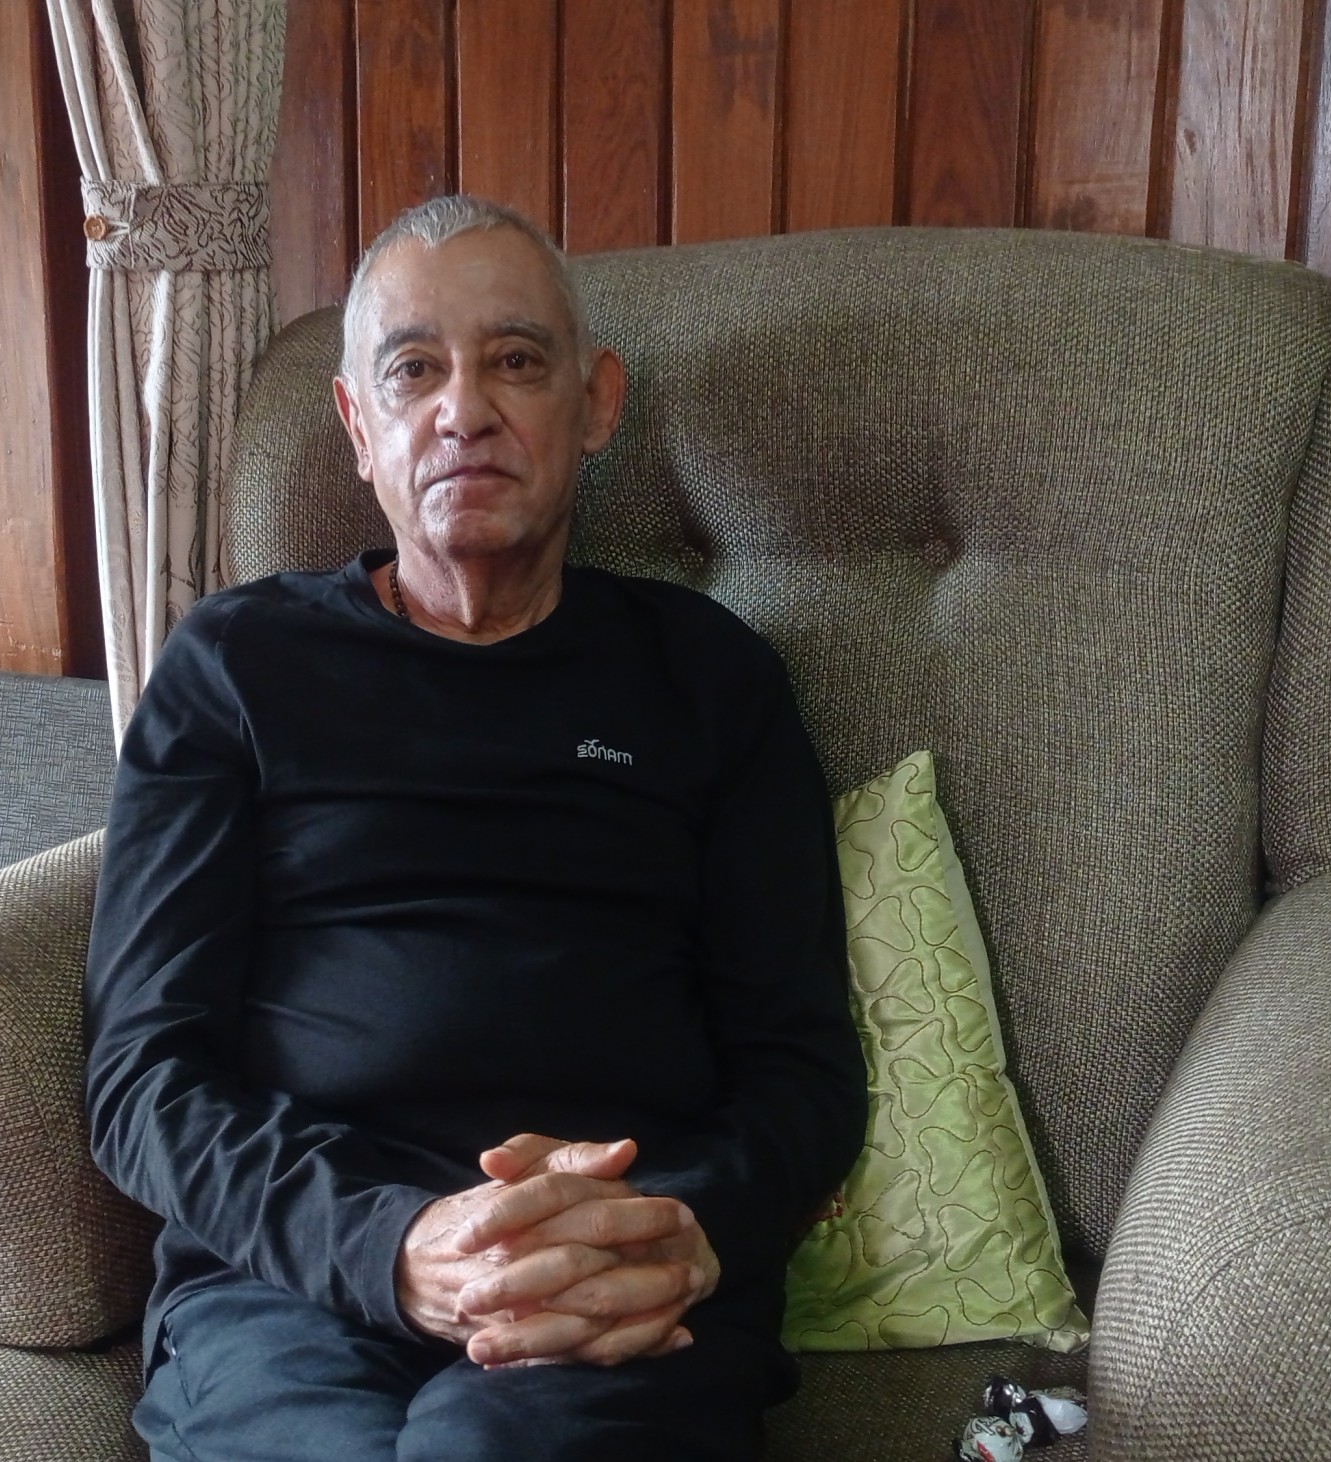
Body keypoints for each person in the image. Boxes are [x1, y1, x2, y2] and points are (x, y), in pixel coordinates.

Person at [84, 194, 867, 1462]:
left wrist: (677, 1224)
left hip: (607, 1263)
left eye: (514, 360)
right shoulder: (236, 666)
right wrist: (386, 1243)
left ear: (595, 403)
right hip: (294, 1275)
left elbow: (802, 1066)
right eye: (413, 370)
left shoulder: (708, 678)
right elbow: (141, 1074)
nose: (464, 410)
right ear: (358, 426)